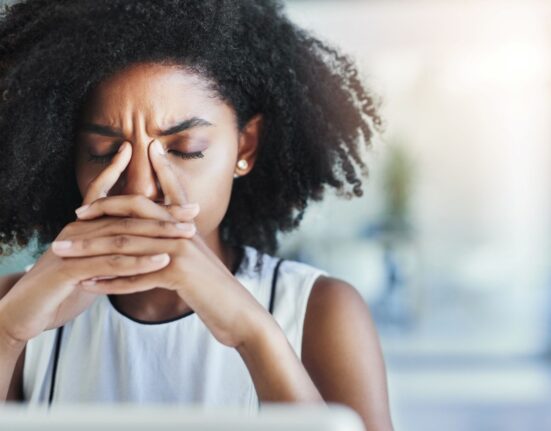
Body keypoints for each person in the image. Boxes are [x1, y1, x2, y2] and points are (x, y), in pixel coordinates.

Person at [0, 0, 393, 429]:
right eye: (106, 153)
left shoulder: (320, 312)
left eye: (184, 150)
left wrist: (254, 335)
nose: (142, 187)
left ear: (245, 147)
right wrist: (7, 334)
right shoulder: (15, 306)